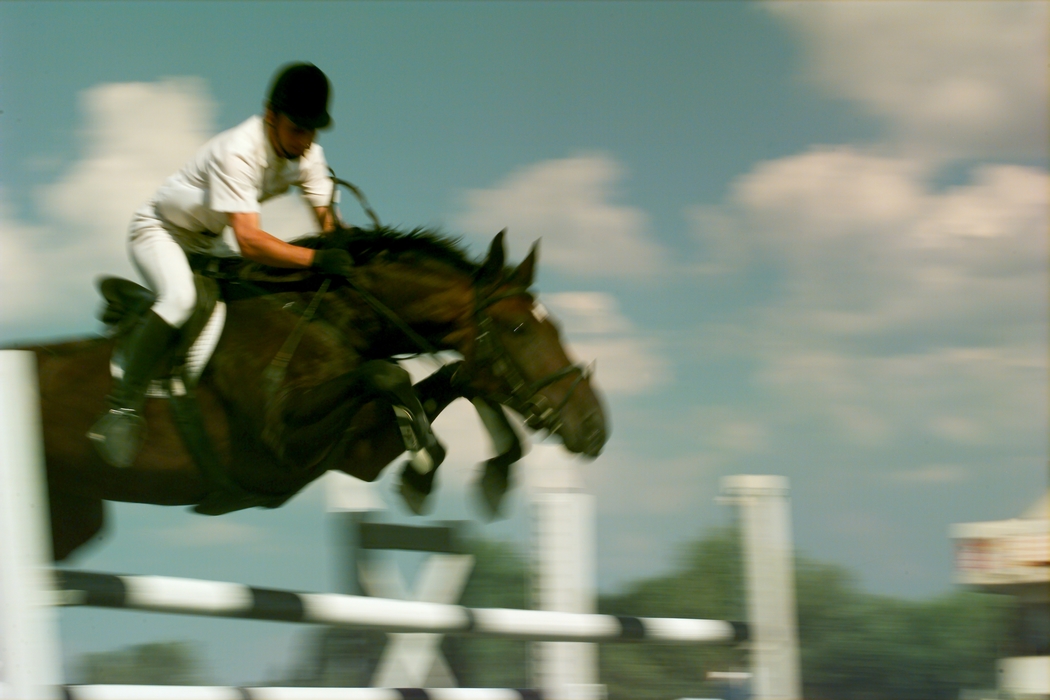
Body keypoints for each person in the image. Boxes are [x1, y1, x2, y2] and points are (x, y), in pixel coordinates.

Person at [89, 62, 356, 468]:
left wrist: (353, 249)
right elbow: (249, 240)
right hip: (160, 233)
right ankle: (122, 410)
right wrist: (318, 258)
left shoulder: (309, 155)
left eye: (312, 129)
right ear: (270, 115)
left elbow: (328, 224)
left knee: (264, 297)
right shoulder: (239, 150)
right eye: (297, 128)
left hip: (209, 243)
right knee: (179, 300)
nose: (305, 140)